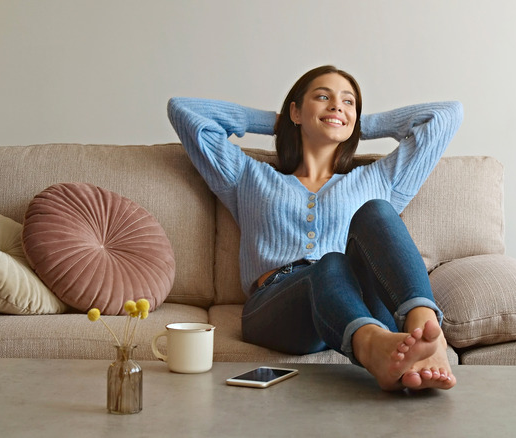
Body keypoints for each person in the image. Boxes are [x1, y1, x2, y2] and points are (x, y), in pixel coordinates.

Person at [168, 65, 463, 391]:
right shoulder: (247, 176)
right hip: (279, 308)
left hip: (363, 301)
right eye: (323, 97)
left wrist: (358, 125)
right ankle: (372, 345)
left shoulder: (380, 179)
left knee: (377, 210)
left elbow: (446, 116)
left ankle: (423, 328)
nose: (337, 105)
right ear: (295, 110)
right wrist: (279, 123)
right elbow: (184, 110)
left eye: (348, 101)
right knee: (331, 262)